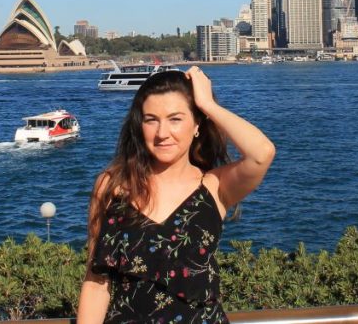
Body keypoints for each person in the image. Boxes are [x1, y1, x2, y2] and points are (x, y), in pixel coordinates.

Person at [77, 66, 275, 324]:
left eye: (175, 119)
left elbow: (262, 153)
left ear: (196, 125)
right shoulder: (112, 185)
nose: (162, 133)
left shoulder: (214, 186)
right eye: (151, 120)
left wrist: (207, 103)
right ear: (140, 126)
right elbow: (96, 283)